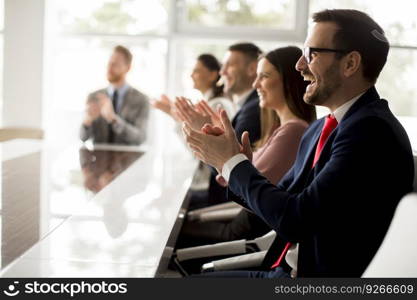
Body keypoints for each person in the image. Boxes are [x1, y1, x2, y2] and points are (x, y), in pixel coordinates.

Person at [183, 9, 414, 277]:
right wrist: (236, 164)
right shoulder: (321, 128)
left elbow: (295, 220)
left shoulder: (371, 132)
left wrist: (232, 164)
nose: (299, 66)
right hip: (280, 271)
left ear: (350, 64)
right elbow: (279, 201)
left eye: (311, 54)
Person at [176, 46, 316, 248]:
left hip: (242, 232)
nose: (256, 84)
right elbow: (240, 182)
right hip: (240, 222)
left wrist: (221, 152)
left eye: (264, 76)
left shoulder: (292, 132)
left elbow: (247, 191)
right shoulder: (280, 129)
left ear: (288, 80)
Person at [177, 43, 263, 209]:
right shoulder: (246, 106)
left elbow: (228, 162)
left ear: (252, 69)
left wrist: (205, 133)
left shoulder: (254, 109)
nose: (222, 72)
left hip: (225, 201)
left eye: (229, 65)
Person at [80, 45, 150, 145]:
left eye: (115, 64)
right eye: (109, 63)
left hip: (129, 159)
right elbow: (82, 137)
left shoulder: (141, 100)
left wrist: (113, 119)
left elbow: (140, 138)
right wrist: (88, 120)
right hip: (98, 159)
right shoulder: (94, 96)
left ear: (128, 67)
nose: (110, 67)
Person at [152, 53, 235, 120]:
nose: (191, 75)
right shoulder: (212, 103)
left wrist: (173, 113)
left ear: (212, 75)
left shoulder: (218, 105)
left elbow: (199, 139)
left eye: (196, 71)